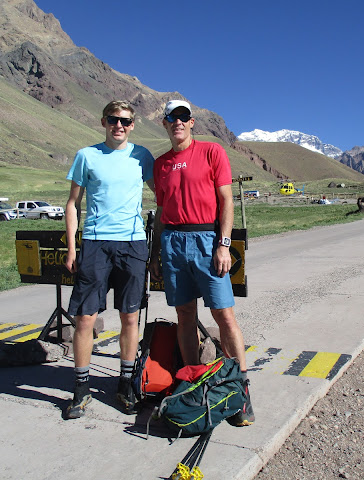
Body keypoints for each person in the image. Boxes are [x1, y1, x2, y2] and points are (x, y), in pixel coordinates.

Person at [149, 100, 254, 427]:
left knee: (224, 315)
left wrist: (224, 244)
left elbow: (226, 201)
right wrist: (155, 253)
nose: (177, 122)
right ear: (165, 123)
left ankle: (241, 389)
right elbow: (161, 213)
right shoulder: (161, 164)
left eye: (183, 116)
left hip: (207, 240)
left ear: (191, 122)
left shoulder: (212, 152)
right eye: (171, 117)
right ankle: (193, 381)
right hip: (173, 242)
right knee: (184, 315)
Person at [63, 100, 155, 419]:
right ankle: (81, 389)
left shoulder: (142, 156)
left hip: (132, 243)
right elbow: (72, 204)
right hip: (95, 244)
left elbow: (163, 194)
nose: (119, 125)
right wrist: (73, 248)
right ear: (103, 121)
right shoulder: (86, 156)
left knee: (130, 317)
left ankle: (125, 384)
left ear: (133, 125)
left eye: (125, 121)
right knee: (85, 318)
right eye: (113, 119)